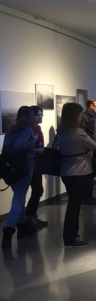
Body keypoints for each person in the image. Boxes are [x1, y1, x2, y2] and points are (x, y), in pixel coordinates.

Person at [57, 102, 96, 247]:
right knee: (74, 205)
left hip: (66, 172)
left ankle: (72, 234)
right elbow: (93, 144)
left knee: (73, 203)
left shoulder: (61, 131)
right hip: (79, 171)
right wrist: (95, 131)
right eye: (80, 114)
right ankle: (70, 237)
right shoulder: (77, 132)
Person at [1, 106, 37, 249]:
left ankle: (22, 226)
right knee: (18, 199)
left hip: (11, 169)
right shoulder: (27, 130)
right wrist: (33, 141)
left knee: (19, 197)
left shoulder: (11, 130)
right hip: (24, 168)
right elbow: (18, 146)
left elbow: (6, 148)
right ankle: (8, 231)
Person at [25, 106, 48, 228]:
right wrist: (39, 151)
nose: (40, 117)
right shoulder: (29, 129)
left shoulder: (37, 128)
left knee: (38, 190)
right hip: (31, 165)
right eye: (38, 115)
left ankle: (31, 217)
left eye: (41, 114)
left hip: (38, 164)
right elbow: (25, 147)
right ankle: (29, 218)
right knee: (37, 190)